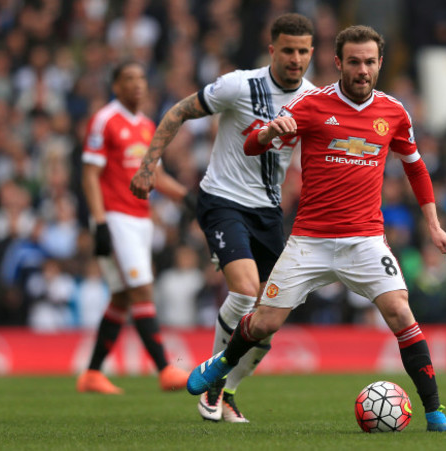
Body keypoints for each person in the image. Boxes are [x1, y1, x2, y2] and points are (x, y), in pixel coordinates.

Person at [187, 25, 446, 432]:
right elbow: (252, 144)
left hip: (365, 240)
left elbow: (416, 167)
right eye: (354, 62)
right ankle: (222, 364)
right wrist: (267, 132)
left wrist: (435, 227)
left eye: (369, 62)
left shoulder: (394, 112)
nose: (362, 70)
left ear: (380, 63)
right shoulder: (310, 105)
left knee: (402, 313)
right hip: (310, 241)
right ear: (338, 63)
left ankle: (435, 413)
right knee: (263, 323)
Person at [129, 14, 315, 422]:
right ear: (272, 50)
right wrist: (147, 166)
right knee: (247, 292)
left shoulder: (314, 100)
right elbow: (178, 111)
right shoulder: (240, 85)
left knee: (267, 321)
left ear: (312, 53)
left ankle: (227, 391)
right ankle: (213, 385)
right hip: (222, 200)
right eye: (287, 50)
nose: (295, 58)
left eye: (303, 51)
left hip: (268, 212)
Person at [78, 61, 191, 394]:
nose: (137, 84)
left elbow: (154, 174)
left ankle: (92, 374)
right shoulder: (105, 120)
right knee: (142, 289)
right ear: (116, 85)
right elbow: (89, 174)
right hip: (115, 217)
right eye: (129, 78)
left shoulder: (146, 125)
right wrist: (99, 222)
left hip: (140, 219)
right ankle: (165, 369)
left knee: (123, 297)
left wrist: (188, 198)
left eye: (141, 78)